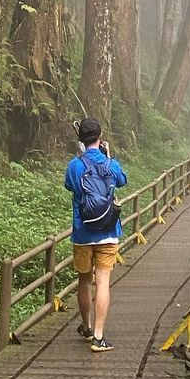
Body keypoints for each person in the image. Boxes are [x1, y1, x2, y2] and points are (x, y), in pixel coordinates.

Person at [65, 116, 127, 353]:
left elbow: (70, 186)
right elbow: (122, 181)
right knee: (103, 282)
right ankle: (99, 337)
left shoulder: (74, 165)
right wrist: (108, 156)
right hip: (109, 232)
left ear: (81, 139)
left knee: (84, 280)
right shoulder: (111, 164)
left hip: (82, 233)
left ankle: (86, 326)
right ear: (100, 138)